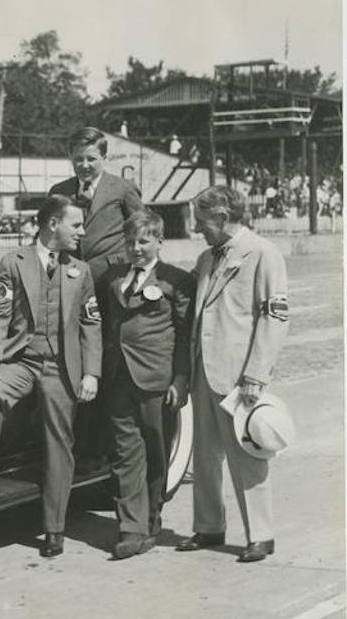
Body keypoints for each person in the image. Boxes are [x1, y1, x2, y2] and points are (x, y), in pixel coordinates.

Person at [0, 194, 101, 559]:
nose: (82, 231)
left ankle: (54, 528)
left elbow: (91, 324)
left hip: (61, 368)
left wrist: (91, 373)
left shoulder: (80, 270)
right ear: (53, 223)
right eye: (76, 224)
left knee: (59, 444)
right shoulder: (13, 261)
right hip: (22, 360)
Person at [176, 186, 289, 563]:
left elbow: (273, 316)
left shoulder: (262, 253)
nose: (196, 228)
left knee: (247, 453)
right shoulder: (207, 257)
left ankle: (261, 534)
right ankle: (208, 526)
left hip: (239, 374)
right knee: (204, 456)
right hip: (203, 370)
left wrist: (256, 373)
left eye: (202, 220)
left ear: (223, 218)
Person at [99, 209, 194, 559]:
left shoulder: (176, 281)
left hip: (157, 379)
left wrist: (181, 378)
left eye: (143, 241)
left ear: (159, 241)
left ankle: (151, 518)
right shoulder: (113, 279)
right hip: (118, 378)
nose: (136, 248)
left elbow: (184, 336)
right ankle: (130, 527)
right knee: (125, 453)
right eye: (130, 241)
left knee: (156, 451)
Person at [49, 126, 144, 281]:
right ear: (70, 157)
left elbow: (144, 231)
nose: (84, 165)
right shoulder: (58, 191)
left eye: (91, 159)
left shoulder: (124, 188)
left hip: (114, 277)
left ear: (104, 157)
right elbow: (48, 234)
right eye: (78, 159)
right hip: (70, 277)